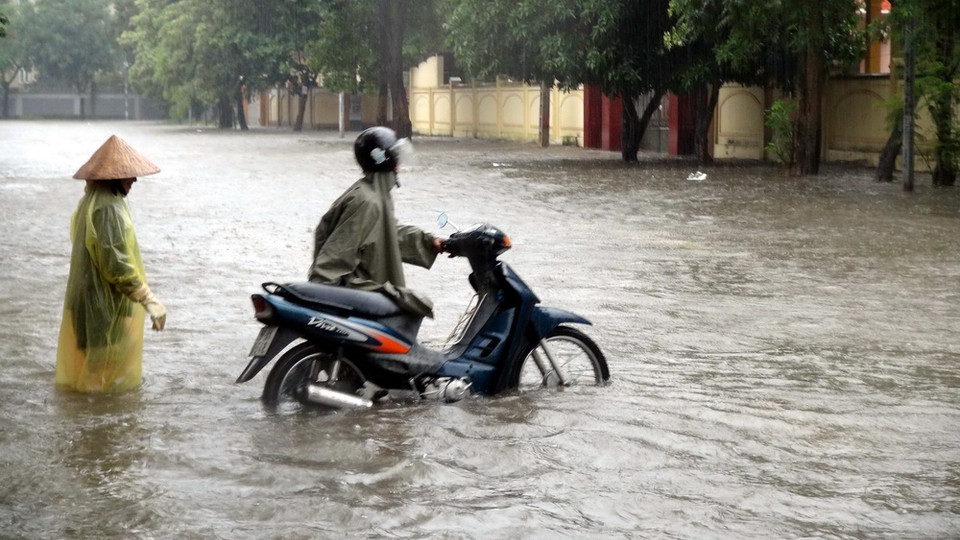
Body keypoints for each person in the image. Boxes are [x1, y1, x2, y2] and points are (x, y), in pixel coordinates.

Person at [55, 135, 167, 393]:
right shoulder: (107, 209)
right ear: (112, 177)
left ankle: (83, 412)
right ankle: (93, 415)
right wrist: (148, 299)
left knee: (97, 368)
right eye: (127, 174)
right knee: (100, 372)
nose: (134, 179)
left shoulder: (91, 202)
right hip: (100, 306)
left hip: (88, 300)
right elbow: (116, 265)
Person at [309, 126, 443, 318]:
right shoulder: (368, 202)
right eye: (396, 155)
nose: (400, 162)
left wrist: (428, 241)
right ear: (385, 159)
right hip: (356, 297)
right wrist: (321, 307)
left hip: (362, 290)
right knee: (415, 304)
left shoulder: (374, 193)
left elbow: (386, 233)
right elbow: (334, 259)